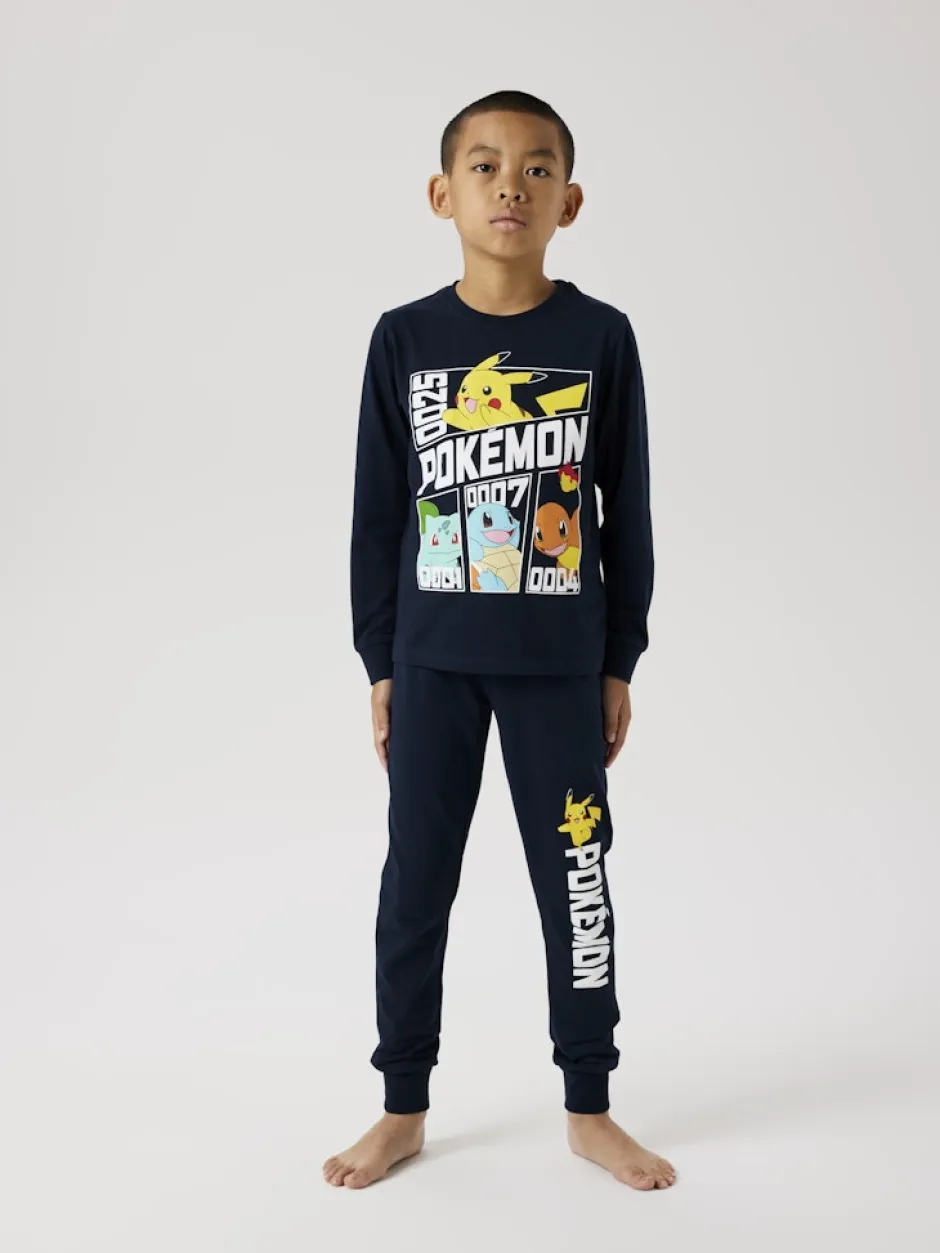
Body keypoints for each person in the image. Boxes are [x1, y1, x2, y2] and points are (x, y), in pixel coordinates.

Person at [323, 89, 676, 1192]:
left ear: (570, 200)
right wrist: (381, 662)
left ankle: (589, 1105)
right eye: (483, 166)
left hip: (559, 671)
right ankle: (402, 1104)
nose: (509, 186)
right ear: (443, 194)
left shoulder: (599, 337)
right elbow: (377, 514)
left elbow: (627, 509)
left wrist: (617, 659)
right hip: (432, 666)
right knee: (414, 884)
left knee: (577, 878)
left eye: (535, 168)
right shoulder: (405, 339)